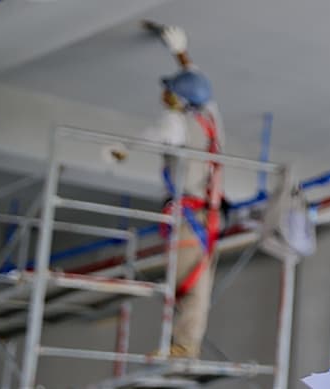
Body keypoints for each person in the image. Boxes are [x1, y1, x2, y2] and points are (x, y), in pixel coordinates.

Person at [142, 22, 226, 359]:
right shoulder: (208, 120)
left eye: (169, 92)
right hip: (204, 214)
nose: (163, 95)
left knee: (184, 283)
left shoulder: (176, 124)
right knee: (195, 282)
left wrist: (119, 151)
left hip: (188, 216)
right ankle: (183, 345)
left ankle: (181, 347)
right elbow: (200, 87)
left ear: (178, 100)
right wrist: (181, 54)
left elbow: (151, 136)